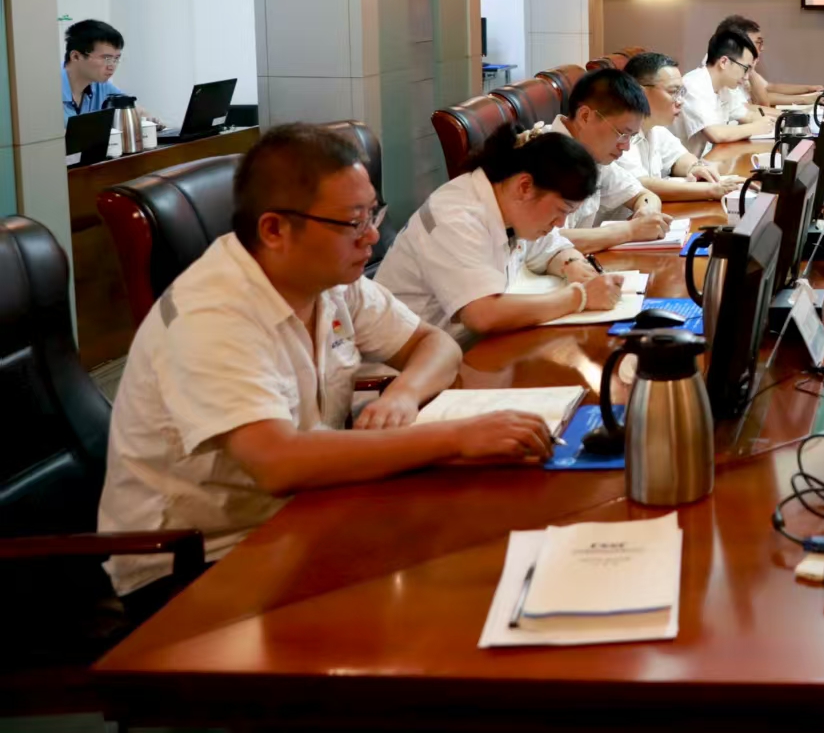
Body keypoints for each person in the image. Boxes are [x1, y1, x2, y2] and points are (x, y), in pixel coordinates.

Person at [97, 125, 554, 606]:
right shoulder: (211, 313)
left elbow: (434, 344)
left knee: (483, 547)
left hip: (304, 513)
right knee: (444, 599)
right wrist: (457, 436)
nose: (372, 236)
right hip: (202, 562)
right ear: (274, 230)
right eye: (353, 222)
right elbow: (277, 462)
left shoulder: (329, 280)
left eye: (372, 214)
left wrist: (404, 394)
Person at [376, 129, 625, 342]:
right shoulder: (455, 217)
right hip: (404, 370)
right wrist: (580, 297)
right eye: (561, 210)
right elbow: (482, 314)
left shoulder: (512, 203)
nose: (560, 223)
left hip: (468, 350)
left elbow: (553, 248)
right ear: (525, 186)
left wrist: (573, 265)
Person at [533, 67, 671, 254]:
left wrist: (647, 211)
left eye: (631, 137)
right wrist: (630, 231)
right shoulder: (543, 155)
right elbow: (542, 243)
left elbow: (643, 195)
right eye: (622, 134)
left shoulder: (592, 155)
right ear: (585, 116)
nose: (626, 146)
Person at [622, 51, 746, 201]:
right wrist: (711, 190)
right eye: (673, 92)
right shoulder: (619, 133)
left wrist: (695, 167)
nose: (681, 101)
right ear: (640, 92)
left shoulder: (656, 129)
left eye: (681, 92)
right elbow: (641, 185)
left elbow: (679, 157)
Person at [675, 28, 772, 149]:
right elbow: (716, 134)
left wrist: (771, 122)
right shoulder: (693, 84)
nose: (746, 77)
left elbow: (747, 116)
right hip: (685, 160)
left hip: (708, 157)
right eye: (745, 69)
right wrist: (756, 127)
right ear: (724, 62)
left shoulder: (725, 87)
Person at [60, 18, 163, 126]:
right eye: (106, 58)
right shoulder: (50, 90)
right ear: (76, 57)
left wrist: (149, 121)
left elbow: (134, 109)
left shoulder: (100, 85)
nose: (112, 66)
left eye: (116, 59)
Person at [714, 14, 823, 113]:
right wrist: (801, 103)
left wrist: (808, 93)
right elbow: (759, 103)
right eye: (758, 43)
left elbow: (767, 89)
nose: (762, 48)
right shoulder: (726, 67)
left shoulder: (740, 65)